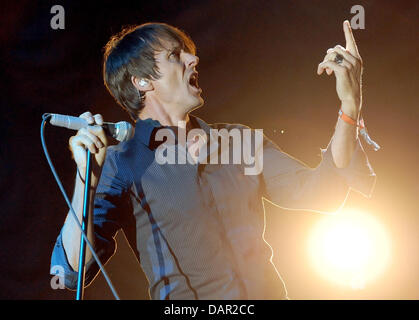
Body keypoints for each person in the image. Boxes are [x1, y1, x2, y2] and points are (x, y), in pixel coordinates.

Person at [51, 21, 376, 299]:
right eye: (175, 56)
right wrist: (85, 179)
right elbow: (71, 270)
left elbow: (326, 192)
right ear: (142, 81)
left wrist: (350, 106)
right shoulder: (121, 162)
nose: (193, 59)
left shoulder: (238, 141)